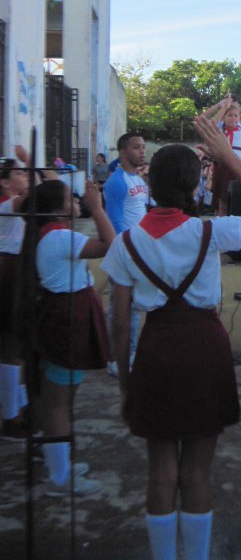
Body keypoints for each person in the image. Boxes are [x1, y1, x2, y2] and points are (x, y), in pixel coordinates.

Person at [101, 116, 241, 560]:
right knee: (197, 471)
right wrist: (231, 161)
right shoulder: (210, 231)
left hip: (155, 351)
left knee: (160, 469)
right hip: (204, 349)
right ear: (196, 185)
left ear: (150, 183)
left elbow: (120, 326)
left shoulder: (126, 242)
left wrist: (125, 382)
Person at [33, 179, 115, 496]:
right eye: (71, 198)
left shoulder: (55, 236)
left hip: (68, 316)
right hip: (66, 320)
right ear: (56, 208)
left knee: (63, 399)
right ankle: (59, 477)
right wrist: (98, 209)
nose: (77, 201)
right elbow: (110, 243)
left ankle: (59, 459)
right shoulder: (59, 238)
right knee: (58, 404)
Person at [103, 132, 149, 373]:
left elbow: (143, 216)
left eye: (142, 147)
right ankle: (116, 358)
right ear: (123, 153)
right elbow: (114, 222)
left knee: (134, 308)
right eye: (136, 147)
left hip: (140, 251)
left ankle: (130, 351)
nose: (142, 151)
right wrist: (126, 251)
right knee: (121, 308)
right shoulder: (116, 182)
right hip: (125, 252)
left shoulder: (140, 182)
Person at [0, 149, 30, 440]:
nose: (25, 176)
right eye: (19, 173)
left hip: (12, 267)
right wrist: (33, 162)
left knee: (14, 346)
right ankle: (11, 417)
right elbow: (35, 199)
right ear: (5, 183)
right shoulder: (9, 205)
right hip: (8, 271)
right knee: (10, 347)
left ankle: (18, 406)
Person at [204, 95, 241, 215]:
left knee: (239, 200)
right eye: (230, 115)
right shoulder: (220, 129)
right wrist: (222, 108)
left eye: (236, 115)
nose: (233, 118)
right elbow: (210, 124)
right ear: (224, 116)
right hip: (223, 168)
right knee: (222, 201)